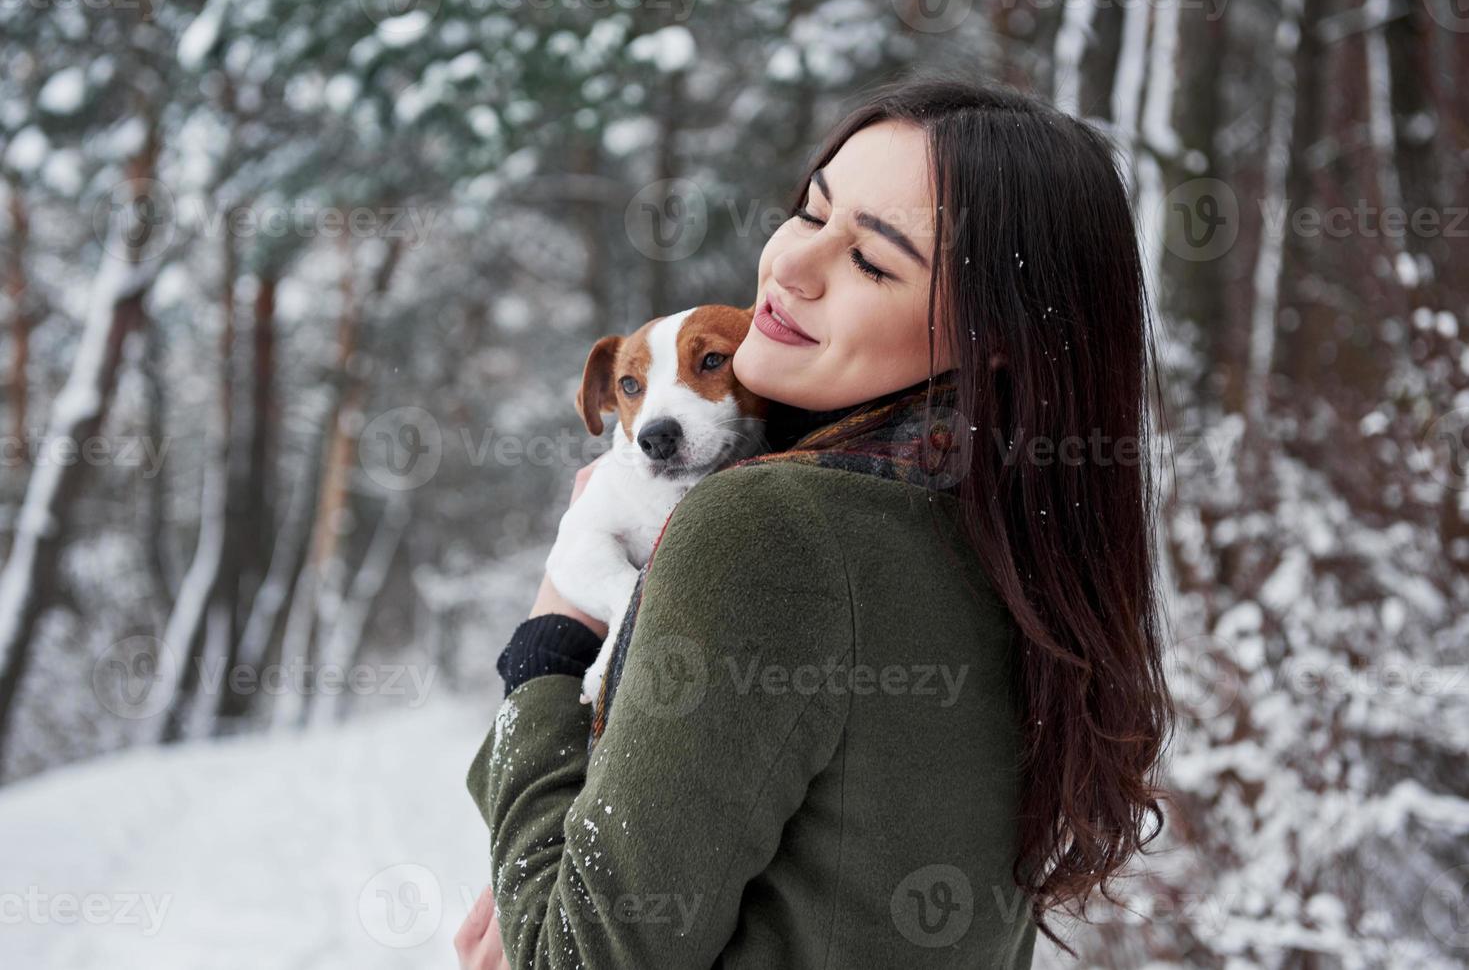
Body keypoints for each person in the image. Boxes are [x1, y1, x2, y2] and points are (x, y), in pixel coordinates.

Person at [456, 73, 1175, 970]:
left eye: (872, 260)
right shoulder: (1009, 531)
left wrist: (551, 638)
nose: (788, 267)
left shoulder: (773, 529)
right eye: (808, 211)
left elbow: (567, 957)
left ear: (994, 340)